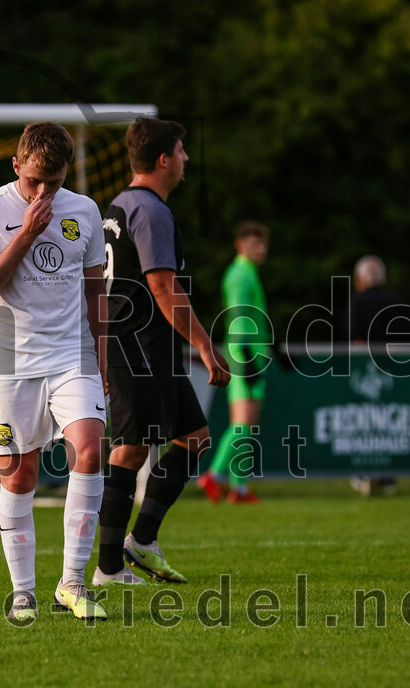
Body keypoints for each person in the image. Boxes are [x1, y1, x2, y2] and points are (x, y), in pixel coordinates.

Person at [0, 121, 108, 622]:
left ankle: (72, 582)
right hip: (9, 362)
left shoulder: (84, 210)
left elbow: (94, 293)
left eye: (56, 181)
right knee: (18, 477)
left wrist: (101, 359)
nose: (44, 191)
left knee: (90, 450)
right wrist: (25, 235)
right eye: (35, 180)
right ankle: (23, 590)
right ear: (17, 165)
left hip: (73, 355)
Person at [96, 117, 230, 588]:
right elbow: (162, 286)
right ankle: (108, 567)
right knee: (129, 451)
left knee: (193, 436)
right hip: (138, 349)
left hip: (144, 347)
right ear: (163, 159)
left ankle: (142, 541)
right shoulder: (149, 210)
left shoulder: (116, 206)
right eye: (181, 150)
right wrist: (206, 349)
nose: (187, 159)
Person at [198, 221, 271, 504]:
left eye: (263, 243)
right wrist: (246, 356)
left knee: (244, 425)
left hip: (247, 352)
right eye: (255, 243)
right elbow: (240, 315)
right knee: (243, 423)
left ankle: (239, 489)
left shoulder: (246, 272)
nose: (261, 249)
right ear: (241, 245)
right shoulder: (241, 274)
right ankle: (214, 476)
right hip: (245, 354)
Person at [348, 255, 401, 495]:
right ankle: (388, 476)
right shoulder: (395, 302)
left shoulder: (358, 302)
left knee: (362, 424)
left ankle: (363, 473)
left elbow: (352, 337)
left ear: (360, 280)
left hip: (363, 374)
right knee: (391, 425)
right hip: (393, 373)